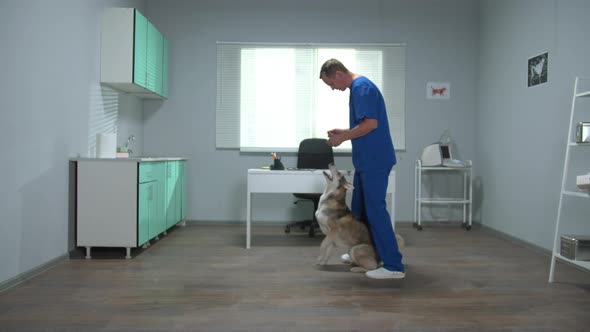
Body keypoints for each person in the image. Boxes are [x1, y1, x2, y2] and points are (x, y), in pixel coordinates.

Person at [319, 58, 405, 279]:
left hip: (375, 160)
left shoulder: (362, 88)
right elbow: (363, 125)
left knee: (376, 211)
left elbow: (371, 124)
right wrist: (345, 132)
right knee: (360, 210)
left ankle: (394, 266)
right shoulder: (358, 88)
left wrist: (342, 138)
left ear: (338, 74)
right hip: (367, 160)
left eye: (330, 84)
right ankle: (365, 252)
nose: (333, 89)